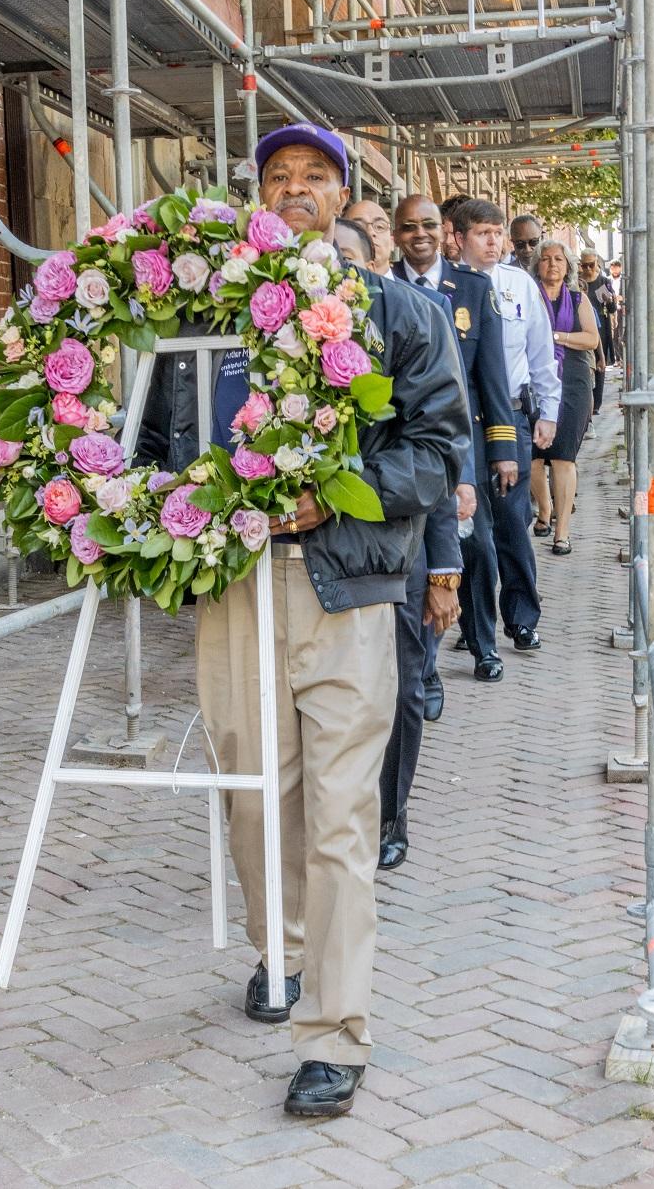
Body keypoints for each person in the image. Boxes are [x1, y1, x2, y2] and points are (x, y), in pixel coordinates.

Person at [136, 124, 470, 1117]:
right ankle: (277, 953)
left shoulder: (396, 312)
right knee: (251, 796)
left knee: (336, 811)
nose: (293, 189)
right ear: (254, 196)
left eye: (312, 177)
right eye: (276, 176)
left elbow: (435, 449)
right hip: (231, 588)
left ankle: (336, 1028)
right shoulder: (208, 318)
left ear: (340, 193)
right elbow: (156, 439)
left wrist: (337, 494)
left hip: (344, 589)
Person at [348, 198, 473, 872]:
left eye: (369, 234)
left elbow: (444, 458)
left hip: (408, 540)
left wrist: (447, 567)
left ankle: (390, 813)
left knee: (399, 687)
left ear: (376, 256)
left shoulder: (414, 317)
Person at [393, 194, 519, 684]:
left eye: (428, 225)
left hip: (459, 444)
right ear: (398, 235)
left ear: (444, 232)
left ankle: (484, 645)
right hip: (401, 444)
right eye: (408, 227)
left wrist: (504, 449)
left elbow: (492, 377)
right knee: (417, 556)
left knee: (477, 546)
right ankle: (424, 671)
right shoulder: (379, 287)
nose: (418, 235)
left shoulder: (470, 287)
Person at [453, 199, 560, 663]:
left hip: (511, 417)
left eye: (498, 233)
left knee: (512, 522)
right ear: (458, 238)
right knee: (470, 529)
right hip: (461, 419)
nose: (494, 241)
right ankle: (475, 628)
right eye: (483, 233)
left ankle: (521, 619)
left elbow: (541, 354)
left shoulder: (519, 286)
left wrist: (548, 411)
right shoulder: (446, 285)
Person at [529, 240, 599, 554]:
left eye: (558, 259)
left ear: (567, 266)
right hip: (534, 379)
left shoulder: (577, 297)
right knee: (532, 456)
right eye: (545, 259)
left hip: (572, 381)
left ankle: (562, 532)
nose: (552, 264)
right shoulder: (529, 296)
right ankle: (544, 510)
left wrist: (556, 336)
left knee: (563, 456)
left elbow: (591, 338)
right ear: (537, 265)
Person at [579, 251, 615, 415]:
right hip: (581, 327)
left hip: (600, 327)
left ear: (596, 263)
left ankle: (596, 405)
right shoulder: (578, 281)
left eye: (590, 265)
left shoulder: (603, 281)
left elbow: (612, 309)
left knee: (600, 365)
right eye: (584, 265)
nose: (587, 268)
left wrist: (610, 301)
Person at [440, 194, 472, 263]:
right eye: (444, 234)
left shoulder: (494, 272)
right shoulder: (436, 270)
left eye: (454, 234)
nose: (448, 241)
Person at [609, 258, 624, 363]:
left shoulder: (623, 279)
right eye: (612, 268)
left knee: (620, 334)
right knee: (613, 334)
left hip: (621, 309)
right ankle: (617, 359)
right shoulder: (607, 280)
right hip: (611, 309)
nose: (614, 270)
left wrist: (621, 298)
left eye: (616, 267)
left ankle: (622, 358)